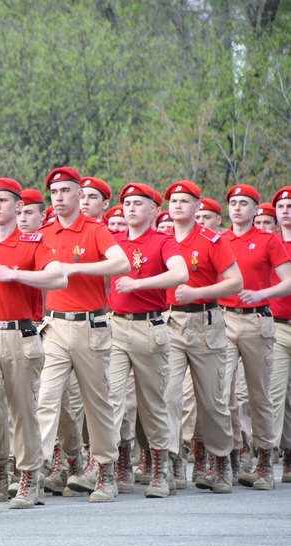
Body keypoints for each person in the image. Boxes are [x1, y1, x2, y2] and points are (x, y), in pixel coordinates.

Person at [0, 177, 67, 510]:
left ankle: (28, 478)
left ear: (19, 206)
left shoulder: (33, 243)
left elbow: (59, 277)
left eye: (4, 201)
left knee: (23, 414)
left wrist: (16, 274)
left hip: (22, 336)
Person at [35, 166, 130, 503]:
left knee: (97, 403)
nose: (59, 198)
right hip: (55, 326)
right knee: (45, 398)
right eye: (54, 193)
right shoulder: (44, 232)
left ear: (79, 195)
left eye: (65, 191)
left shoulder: (96, 230)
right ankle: (35, 471)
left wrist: (78, 268)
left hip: (91, 326)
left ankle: (106, 472)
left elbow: (121, 264)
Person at [107, 184, 188, 498]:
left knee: (153, 404)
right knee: (112, 399)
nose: (130, 208)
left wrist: (138, 283)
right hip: (115, 327)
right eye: (126, 203)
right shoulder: (113, 241)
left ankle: (160, 470)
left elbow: (179, 274)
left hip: (150, 328)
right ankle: (115, 467)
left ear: (154, 209)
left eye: (138, 203)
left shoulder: (163, 240)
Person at [163, 181, 241, 494]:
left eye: (184, 201)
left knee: (212, 399)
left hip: (206, 321)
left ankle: (220, 460)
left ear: (198, 206)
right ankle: (171, 460)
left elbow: (236, 282)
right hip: (169, 321)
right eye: (173, 201)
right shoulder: (162, 239)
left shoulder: (211, 239)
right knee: (168, 397)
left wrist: (198, 292)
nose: (177, 206)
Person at [219, 184, 291, 490]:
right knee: (219, 394)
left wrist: (262, 293)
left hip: (257, 320)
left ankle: (263, 462)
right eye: (233, 203)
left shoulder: (268, 241)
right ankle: (224, 459)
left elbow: (288, 281)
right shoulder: (219, 239)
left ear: (255, 209)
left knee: (259, 394)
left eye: (244, 203)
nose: (237, 208)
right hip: (222, 320)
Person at [270, 186, 291, 483]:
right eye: (281, 206)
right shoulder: (268, 242)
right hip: (275, 325)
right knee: (273, 395)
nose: (285, 210)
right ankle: (267, 458)